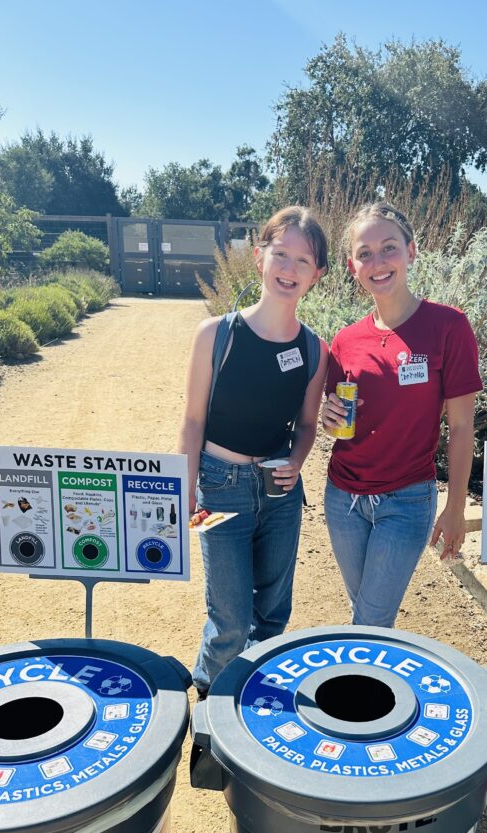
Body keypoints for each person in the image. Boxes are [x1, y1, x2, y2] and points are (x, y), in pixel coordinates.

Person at [179, 207, 329, 697]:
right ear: (259, 257)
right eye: (280, 254)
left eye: (302, 260)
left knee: (271, 616)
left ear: (317, 274)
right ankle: (210, 705)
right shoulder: (215, 335)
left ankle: (252, 707)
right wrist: (182, 490)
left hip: (282, 495)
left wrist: (298, 460)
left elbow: (306, 425)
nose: (289, 268)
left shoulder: (314, 349)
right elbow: (193, 421)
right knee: (228, 619)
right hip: (217, 491)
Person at [321, 201, 482, 628]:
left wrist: (455, 508)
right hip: (342, 501)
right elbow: (339, 423)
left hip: (407, 500)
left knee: (370, 620)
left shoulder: (448, 327)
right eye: (365, 253)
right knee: (370, 614)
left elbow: (462, 427)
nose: (378, 262)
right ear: (352, 266)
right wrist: (330, 418)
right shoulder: (345, 342)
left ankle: (359, 691)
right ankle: (375, 687)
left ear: (411, 251)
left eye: (389, 247)